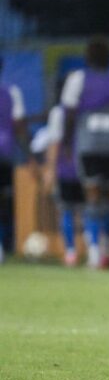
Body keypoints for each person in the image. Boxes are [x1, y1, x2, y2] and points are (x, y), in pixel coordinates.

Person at [60, 36, 109, 269]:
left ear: (87, 57)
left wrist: (67, 144)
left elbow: (69, 114)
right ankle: (107, 247)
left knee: (92, 194)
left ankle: (94, 250)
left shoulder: (78, 79)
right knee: (108, 194)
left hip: (88, 144)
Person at [42, 103, 84, 266]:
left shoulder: (59, 113)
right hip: (81, 166)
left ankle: (72, 251)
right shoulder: (87, 107)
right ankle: (92, 250)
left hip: (67, 167)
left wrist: (50, 169)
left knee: (68, 209)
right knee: (85, 209)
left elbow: (54, 142)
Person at [0, 57, 32, 264]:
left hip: (3, 153)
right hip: (4, 152)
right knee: (2, 201)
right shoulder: (11, 92)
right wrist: (30, 156)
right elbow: (20, 127)